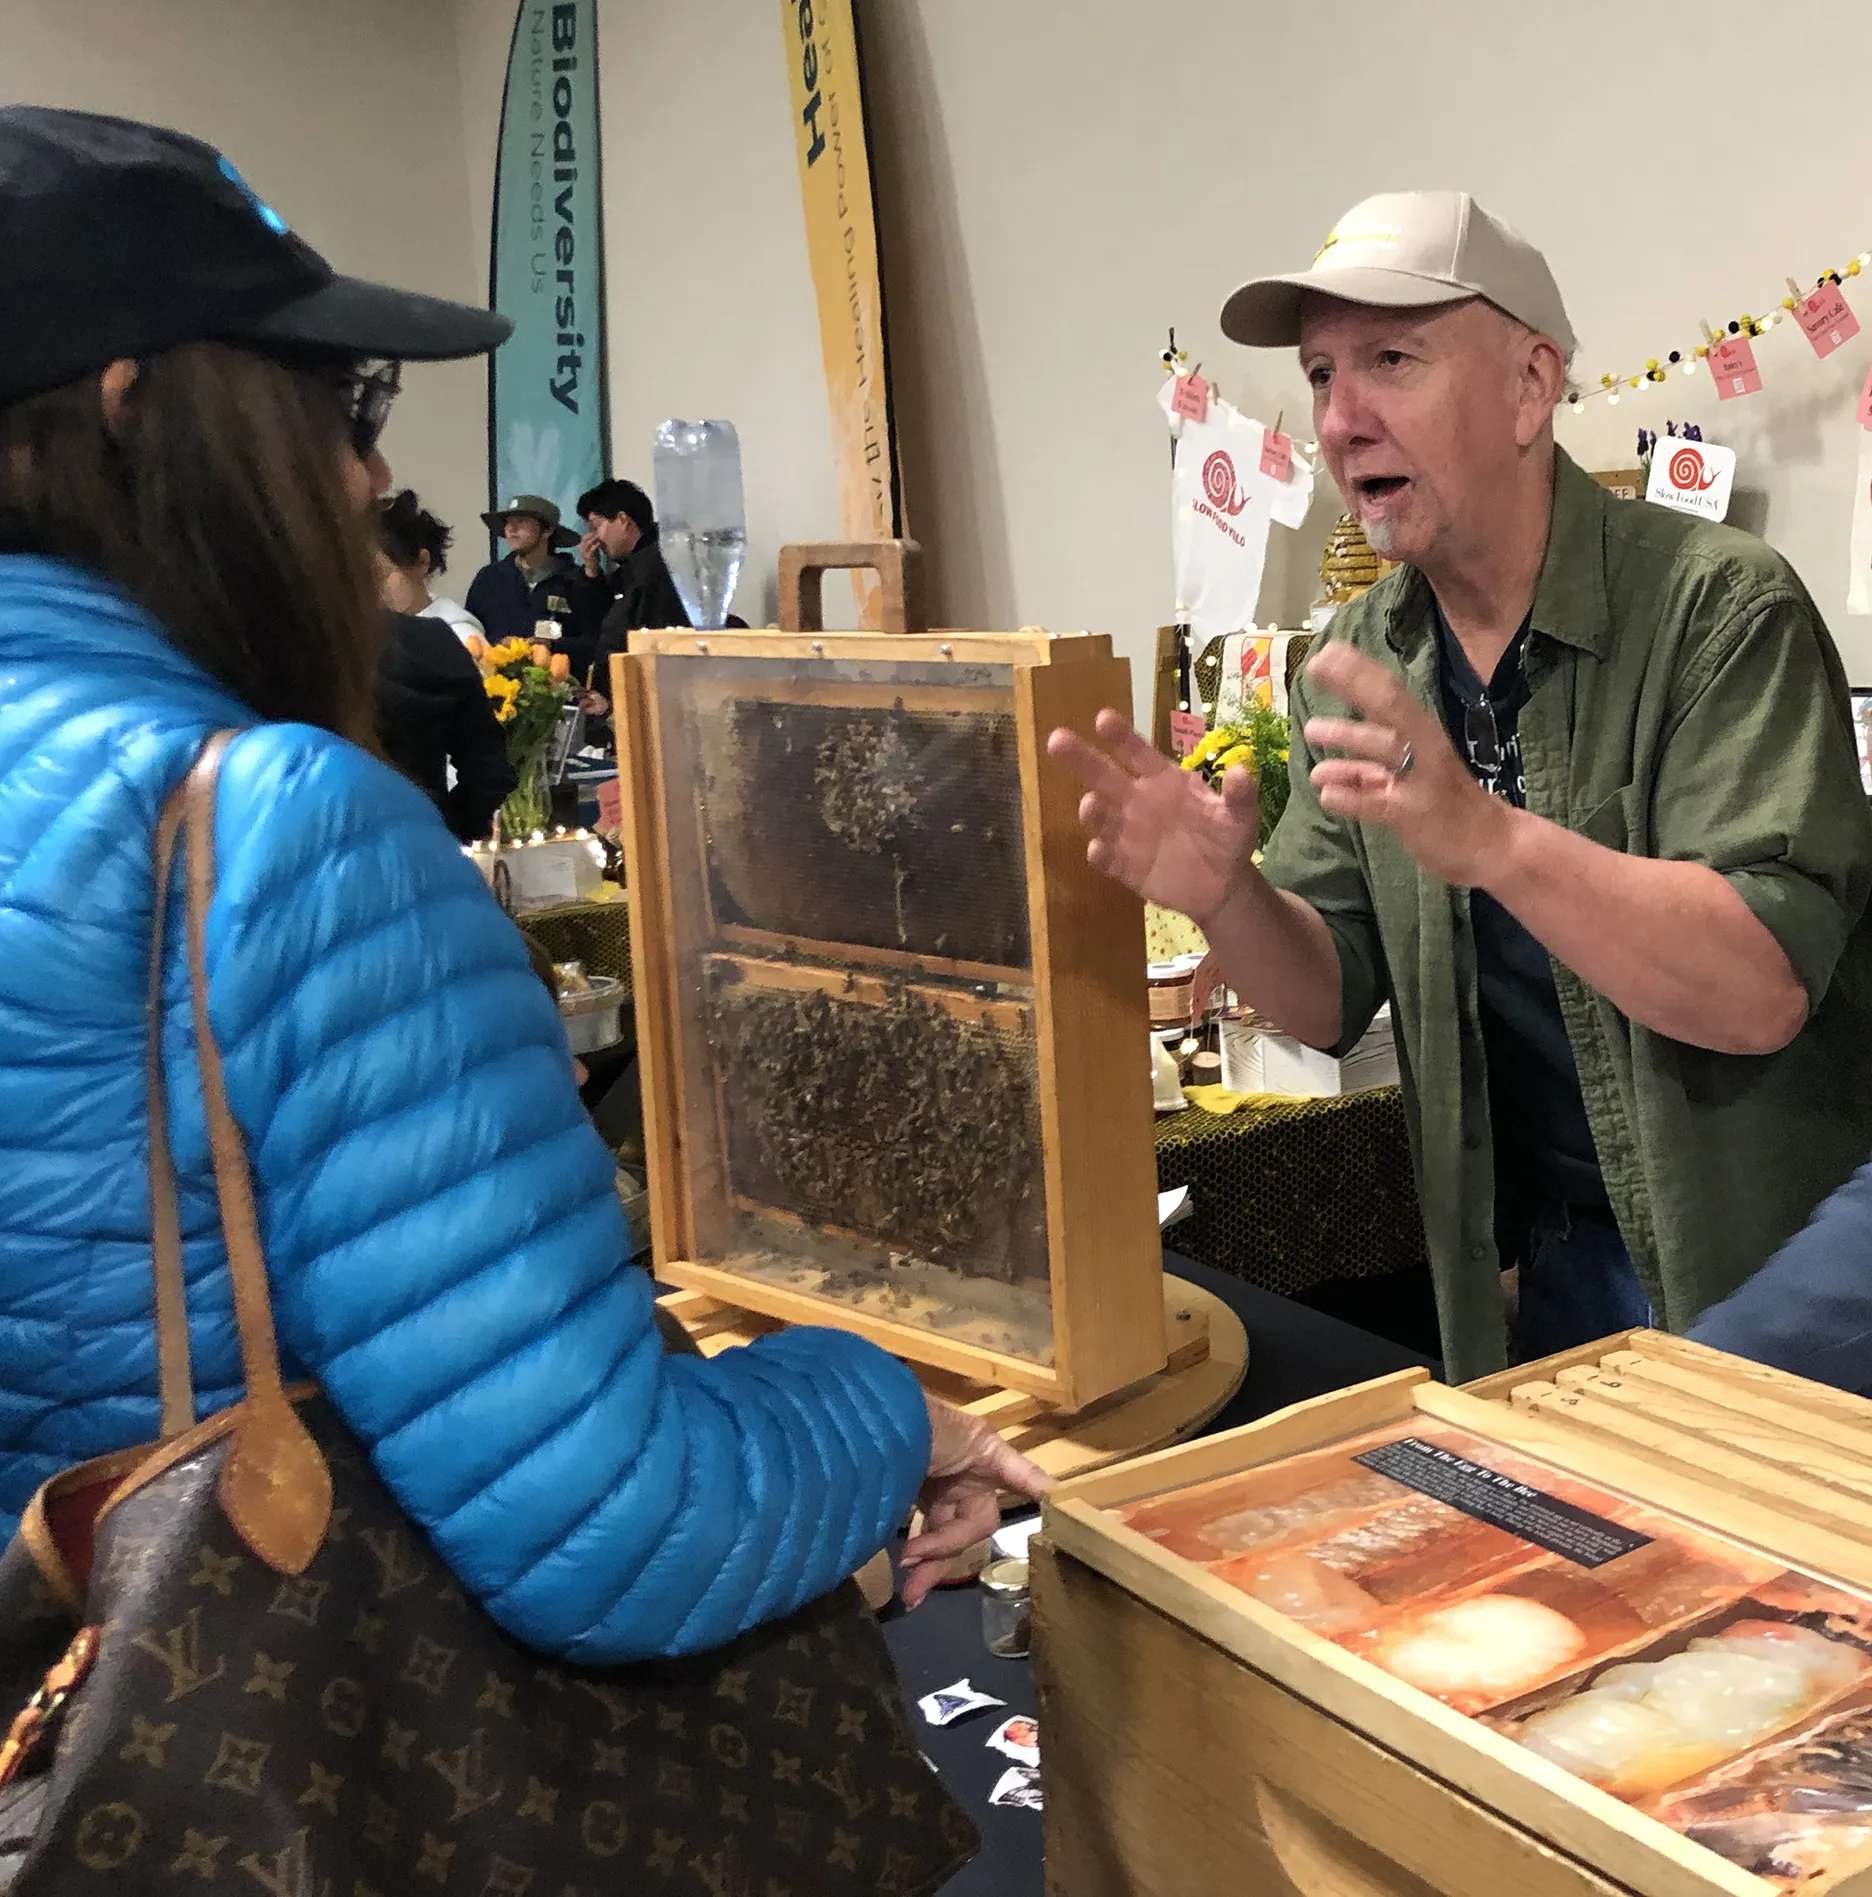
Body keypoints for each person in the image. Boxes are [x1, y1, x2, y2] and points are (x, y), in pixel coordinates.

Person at [0, 105, 1044, 1661]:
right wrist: (887, 1411)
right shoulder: (275, 828)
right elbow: (621, 1526)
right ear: (133, 406)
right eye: (333, 404)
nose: (362, 477)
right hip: (269, 1763)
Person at [1051, 190, 1872, 1381]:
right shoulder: (1363, 655)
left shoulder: (1719, 610)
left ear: (1532, 386)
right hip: (1545, 1278)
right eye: (1323, 375)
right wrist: (1227, 894)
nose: (1341, 418)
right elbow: (1329, 997)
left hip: (1776, 1268)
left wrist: (1490, 840)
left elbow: (1759, 992)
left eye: (1392, 359)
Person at [375, 607, 515, 841]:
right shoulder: (430, 642)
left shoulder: (301, 650)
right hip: (424, 844)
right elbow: (489, 773)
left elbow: (489, 773)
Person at [463, 492, 602, 665]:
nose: (511, 529)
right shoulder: (488, 578)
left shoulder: (575, 581)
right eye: (508, 522)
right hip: (496, 685)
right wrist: (499, 645)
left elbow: (593, 641)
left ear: (547, 530)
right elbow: (470, 634)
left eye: (521, 521)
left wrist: (550, 646)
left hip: (560, 687)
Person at [576, 475, 691, 654]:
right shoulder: (631, 568)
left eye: (596, 526)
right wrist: (592, 572)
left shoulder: (658, 567)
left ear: (623, 520)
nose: (593, 538)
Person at [376, 486, 484, 644]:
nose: (372, 589)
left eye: (382, 574)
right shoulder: (377, 632)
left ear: (422, 562)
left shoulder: (460, 638)